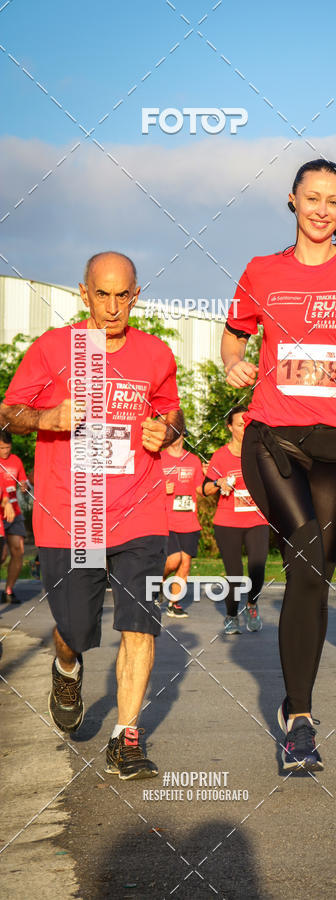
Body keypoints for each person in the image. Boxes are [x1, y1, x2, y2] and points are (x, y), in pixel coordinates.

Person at [222, 158, 336, 771]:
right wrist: (233, 363)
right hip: (273, 435)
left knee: (312, 574)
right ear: (293, 201)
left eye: (334, 201)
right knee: (304, 547)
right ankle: (300, 720)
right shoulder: (263, 271)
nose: (323, 209)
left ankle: (292, 705)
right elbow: (234, 332)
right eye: (313, 198)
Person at [0, 251, 183, 779]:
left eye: (122, 295)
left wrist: (167, 430)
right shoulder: (54, 348)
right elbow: (8, 411)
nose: (112, 306)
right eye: (102, 294)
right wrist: (48, 417)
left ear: (136, 296)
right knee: (74, 629)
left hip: (140, 511)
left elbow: (172, 412)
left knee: (139, 625)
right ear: (84, 294)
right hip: (71, 514)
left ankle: (126, 739)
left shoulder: (155, 353)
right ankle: (67, 666)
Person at [204, 406, 269, 634]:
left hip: (257, 520)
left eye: (248, 424)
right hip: (227, 522)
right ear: (230, 427)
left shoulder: (261, 453)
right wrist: (218, 483)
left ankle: (251, 604)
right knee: (235, 573)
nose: (245, 428)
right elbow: (205, 488)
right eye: (241, 425)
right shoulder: (220, 456)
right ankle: (231, 615)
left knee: (257, 566)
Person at [160, 429, 205, 618]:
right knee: (174, 560)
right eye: (170, 434)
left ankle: (173, 604)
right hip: (165, 519)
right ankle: (158, 580)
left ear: (183, 436)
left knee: (185, 563)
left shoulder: (193, 460)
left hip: (189, 520)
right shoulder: (158, 459)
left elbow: (201, 489)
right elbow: (145, 488)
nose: (174, 438)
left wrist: (211, 478)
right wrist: (161, 488)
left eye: (177, 433)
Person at [0, 431, 29, 603]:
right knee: (2, 555)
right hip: (1, 513)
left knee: (18, 551)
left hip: (14, 513)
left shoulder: (16, 460)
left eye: (7, 447)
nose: (5, 451)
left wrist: (24, 486)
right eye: (1, 448)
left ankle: (8, 591)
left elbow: (23, 482)